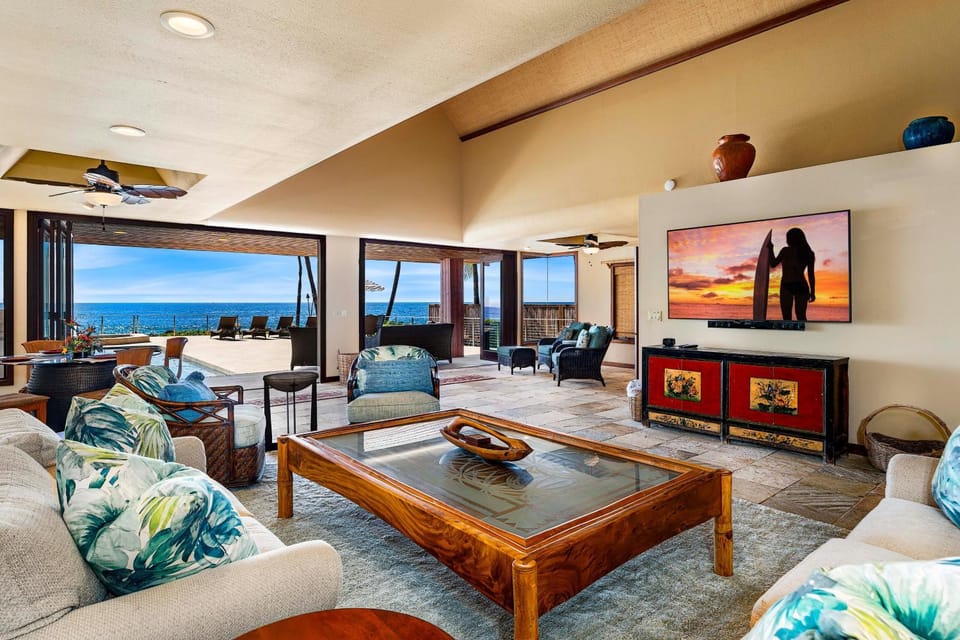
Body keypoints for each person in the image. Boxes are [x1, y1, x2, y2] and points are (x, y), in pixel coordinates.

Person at [767, 227, 816, 321]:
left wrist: (770, 249)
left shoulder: (785, 250)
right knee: (801, 317)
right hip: (801, 285)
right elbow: (811, 275)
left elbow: (773, 263)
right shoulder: (808, 253)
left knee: (787, 317)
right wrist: (813, 292)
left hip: (786, 284)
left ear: (790, 239)